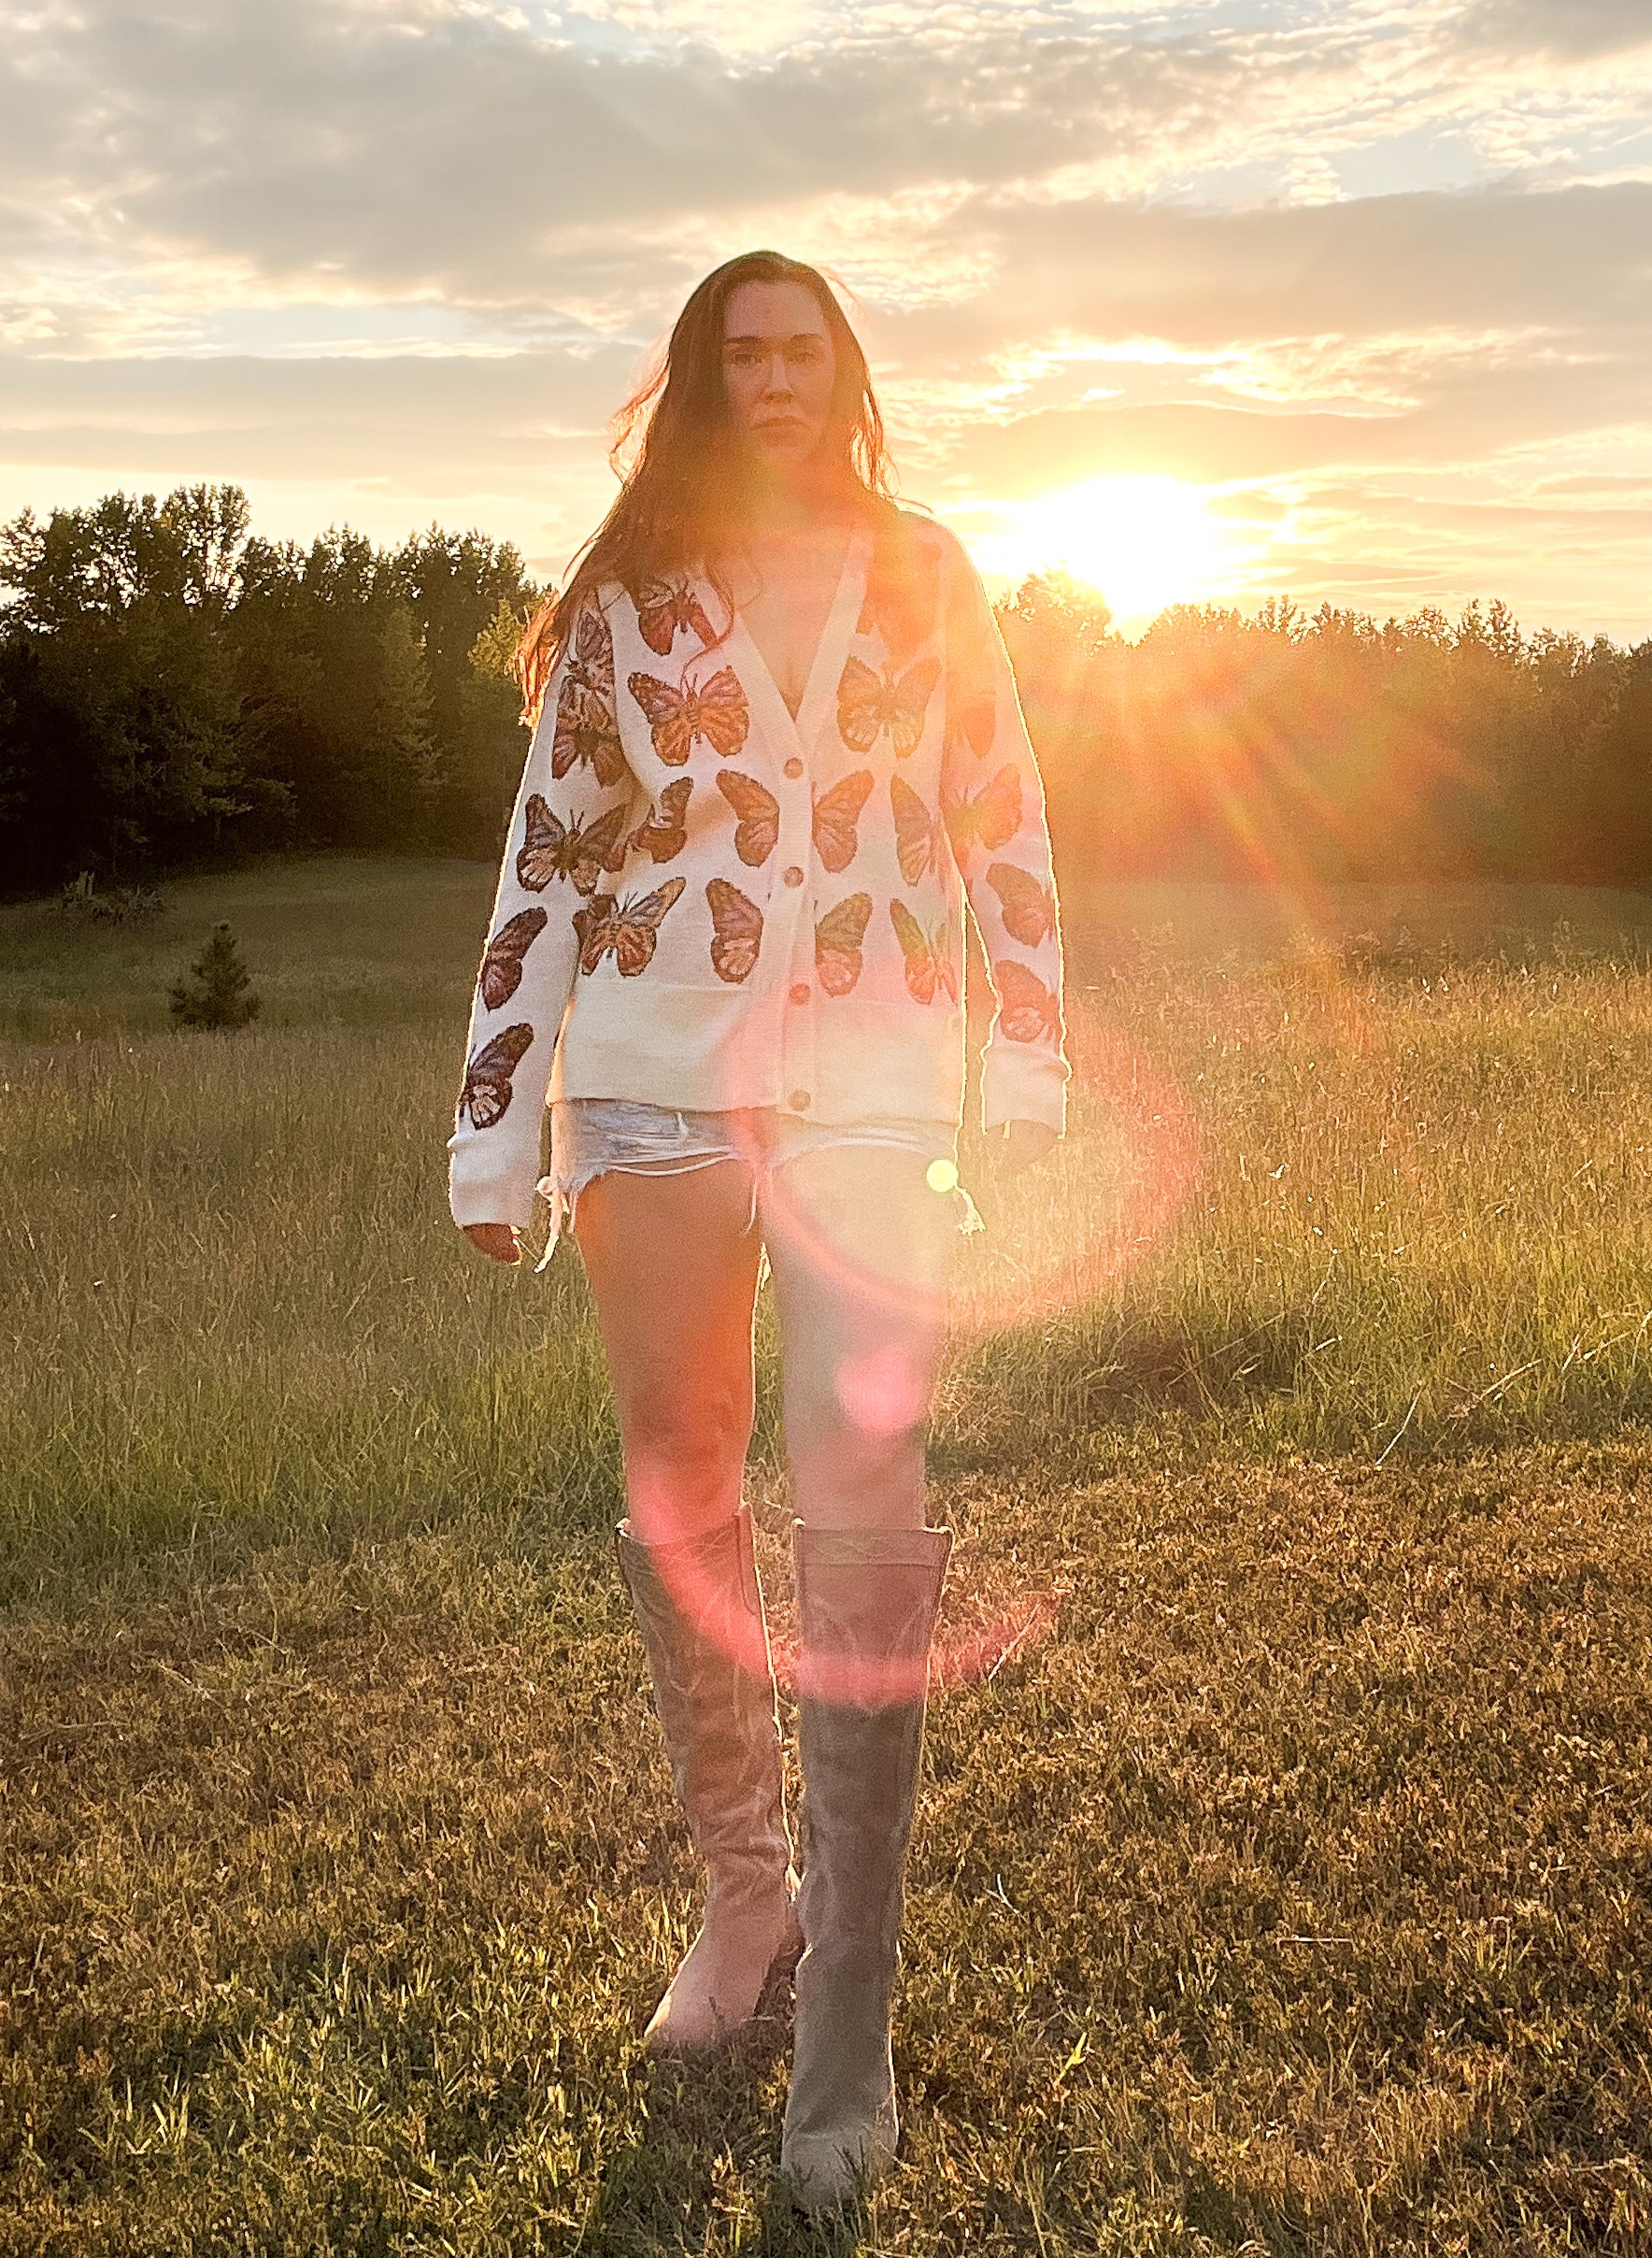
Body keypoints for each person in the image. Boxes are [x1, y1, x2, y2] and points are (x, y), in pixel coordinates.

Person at [448, 249, 1071, 2215]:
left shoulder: (933, 578)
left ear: (846, 370)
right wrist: (495, 1124)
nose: (777, 378)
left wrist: (1031, 1069)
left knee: (863, 1468)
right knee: (678, 1469)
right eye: (743, 355)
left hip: (878, 1087)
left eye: (803, 350)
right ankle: (746, 1901)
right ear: (707, 384)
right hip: (640, 1076)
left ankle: (850, 2016)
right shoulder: (631, 596)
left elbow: (1009, 820)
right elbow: (550, 846)